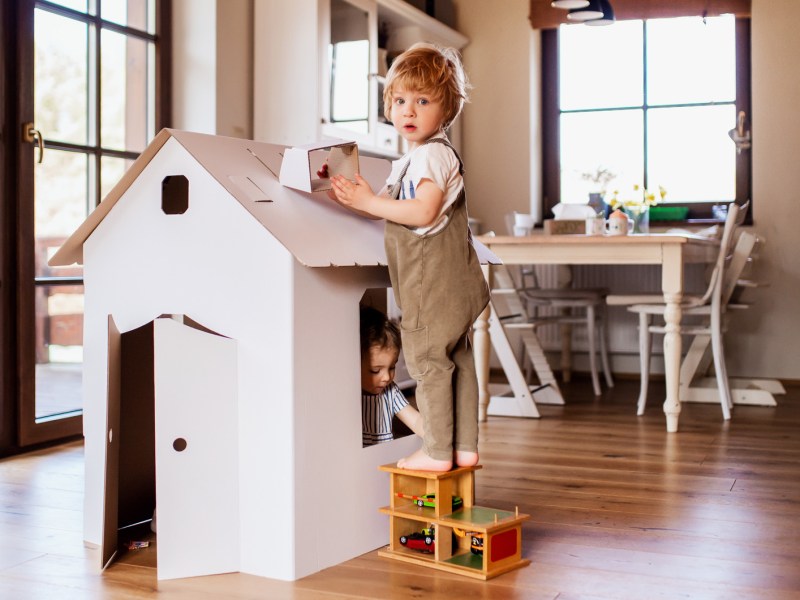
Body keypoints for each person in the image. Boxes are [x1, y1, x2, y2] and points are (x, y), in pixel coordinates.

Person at [327, 43, 489, 472]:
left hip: (432, 285)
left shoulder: (431, 155)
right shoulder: (412, 160)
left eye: (422, 100)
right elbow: (383, 205)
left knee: (429, 364)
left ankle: (437, 451)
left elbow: (423, 211)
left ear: (447, 109)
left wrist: (369, 202)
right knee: (460, 359)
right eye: (399, 101)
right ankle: (465, 446)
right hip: (457, 285)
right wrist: (357, 198)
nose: (408, 110)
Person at [360, 306, 423, 447]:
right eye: (375, 370)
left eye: (392, 367)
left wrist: (438, 438)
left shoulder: (390, 391)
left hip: (385, 460)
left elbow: (415, 421)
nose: (387, 377)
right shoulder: (350, 394)